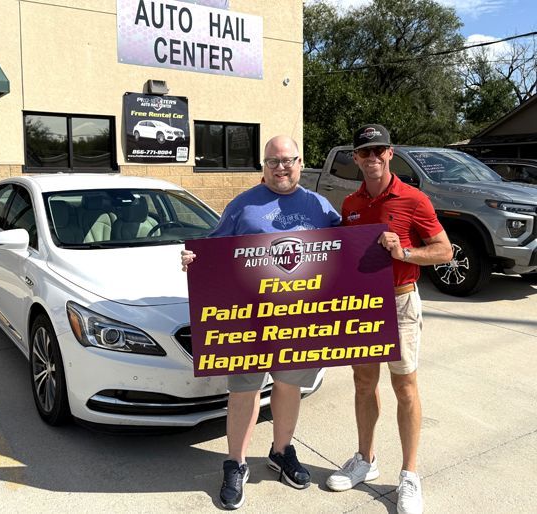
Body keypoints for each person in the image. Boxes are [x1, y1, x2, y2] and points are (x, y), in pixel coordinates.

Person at [182, 135, 341, 510]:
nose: (281, 167)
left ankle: (281, 451)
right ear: (263, 166)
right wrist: (194, 259)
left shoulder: (320, 206)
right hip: (248, 319)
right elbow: (214, 250)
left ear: (301, 163)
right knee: (244, 391)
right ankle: (236, 463)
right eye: (273, 161)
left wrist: (379, 242)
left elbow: (346, 252)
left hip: (300, 319)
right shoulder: (242, 205)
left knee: (288, 386)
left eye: (288, 160)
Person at [325, 124, 453, 514]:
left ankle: (410, 474)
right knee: (364, 384)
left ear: (390, 153)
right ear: (356, 157)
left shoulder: (414, 200)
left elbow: (444, 251)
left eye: (379, 150)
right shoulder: (350, 204)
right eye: (365, 152)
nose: (373, 158)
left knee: (405, 388)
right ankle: (366, 459)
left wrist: (405, 253)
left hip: (399, 302)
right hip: (363, 306)